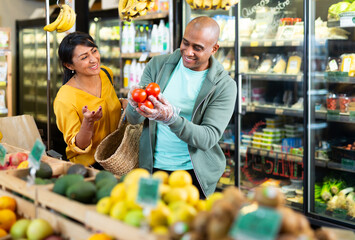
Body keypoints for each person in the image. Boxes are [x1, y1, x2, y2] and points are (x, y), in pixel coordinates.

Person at [126, 16, 237, 198]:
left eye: (198, 48)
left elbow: (207, 138)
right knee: (147, 221)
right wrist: (133, 104)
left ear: (214, 49)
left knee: (187, 223)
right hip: (151, 168)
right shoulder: (157, 65)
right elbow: (133, 120)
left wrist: (171, 119)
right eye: (185, 43)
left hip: (193, 175)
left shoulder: (224, 86)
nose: (188, 51)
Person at [53, 31, 127, 168]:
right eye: (84, 57)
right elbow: (79, 145)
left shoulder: (105, 73)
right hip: (90, 167)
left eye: (94, 51)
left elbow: (108, 102)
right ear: (69, 65)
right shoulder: (65, 98)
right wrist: (88, 122)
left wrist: (122, 102)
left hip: (118, 158)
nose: (93, 59)